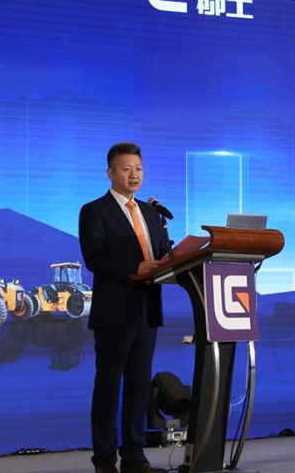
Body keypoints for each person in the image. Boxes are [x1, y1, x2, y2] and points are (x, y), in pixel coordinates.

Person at [79, 142, 169, 473]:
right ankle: (104, 459)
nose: (134, 175)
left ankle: (134, 455)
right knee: (108, 386)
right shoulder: (94, 210)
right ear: (111, 173)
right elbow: (95, 258)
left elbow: (162, 254)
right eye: (127, 169)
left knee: (139, 387)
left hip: (148, 310)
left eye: (139, 169)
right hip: (115, 312)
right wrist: (135, 267)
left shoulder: (152, 213)